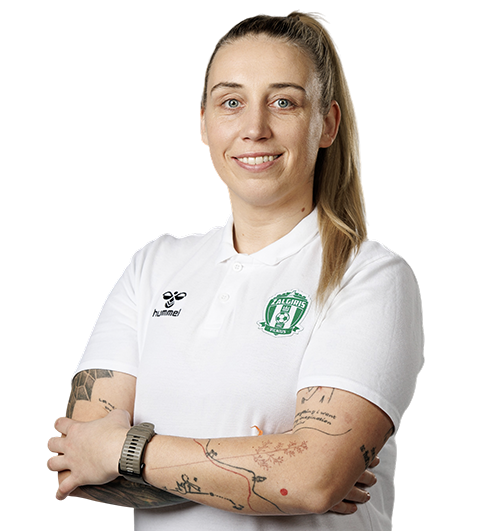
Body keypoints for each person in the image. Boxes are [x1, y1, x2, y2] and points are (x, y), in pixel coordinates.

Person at [47, 11, 424, 530]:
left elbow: (313, 479)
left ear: (328, 124)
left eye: (284, 102)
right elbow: (75, 460)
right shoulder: (152, 266)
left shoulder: (371, 276)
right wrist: (268, 470)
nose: (254, 128)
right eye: (231, 102)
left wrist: (123, 450)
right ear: (203, 123)